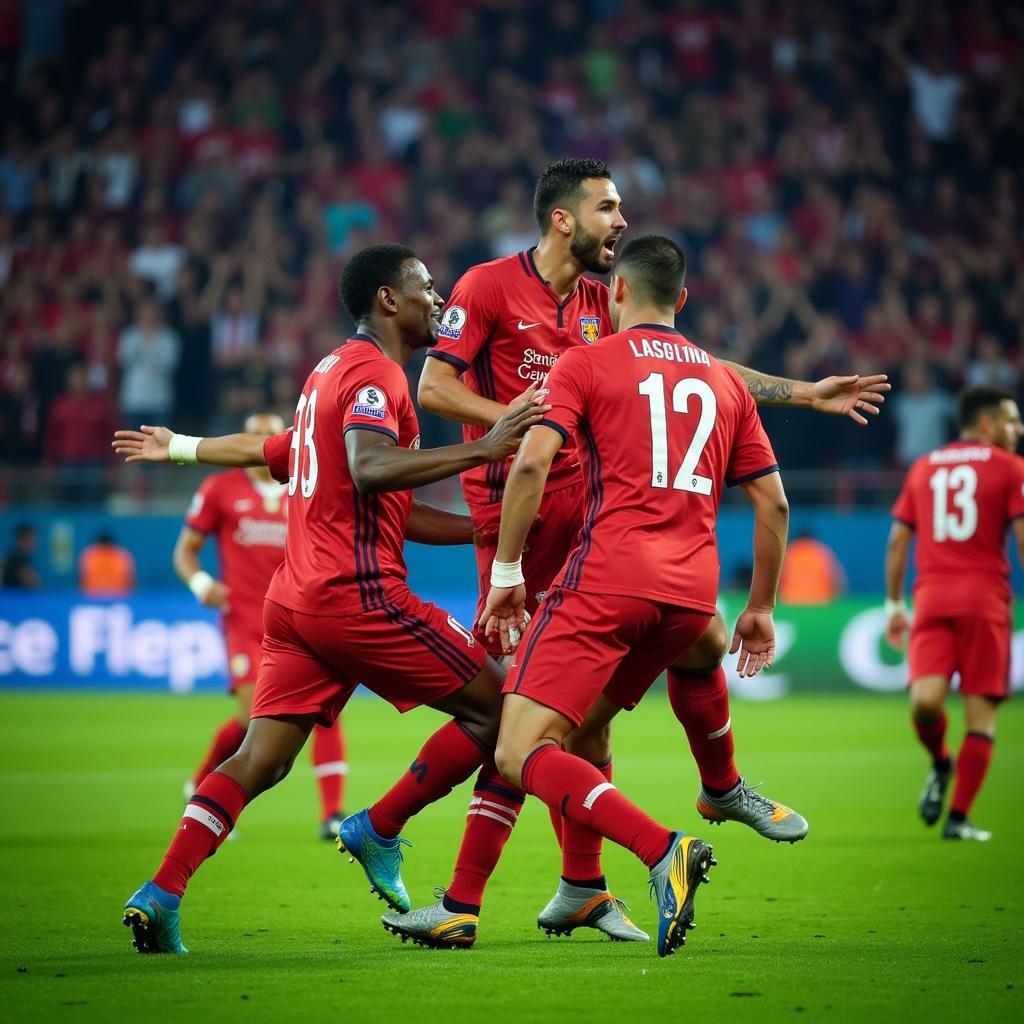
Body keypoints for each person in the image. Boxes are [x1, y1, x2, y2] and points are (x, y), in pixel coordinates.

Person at [416, 158, 882, 939]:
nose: (621, 219)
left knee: (523, 736)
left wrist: (802, 390)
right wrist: (523, 419)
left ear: (626, 293)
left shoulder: (600, 325)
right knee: (630, 686)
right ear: (563, 218)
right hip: (568, 539)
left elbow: (672, 357)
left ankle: (523, 884)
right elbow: (435, 388)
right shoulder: (489, 286)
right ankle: (594, 875)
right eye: (608, 206)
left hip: (595, 548)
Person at [112, 243, 548, 954]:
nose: (437, 300)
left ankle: (161, 893)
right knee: (502, 714)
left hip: (294, 606)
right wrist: (486, 448)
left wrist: (182, 446)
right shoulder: (378, 376)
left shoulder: (328, 374)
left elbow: (277, 453)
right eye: (425, 288)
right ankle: (379, 828)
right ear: (387, 300)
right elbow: (370, 468)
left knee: (262, 759)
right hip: (358, 597)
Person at [391, 234, 789, 957]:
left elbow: (532, 463)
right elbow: (774, 506)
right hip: (692, 599)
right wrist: (760, 609)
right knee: (589, 725)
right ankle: (564, 886)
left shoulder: (587, 360)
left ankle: (661, 848)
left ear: (614, 296)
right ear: (685, 300)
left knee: (517, 748)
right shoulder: (721, 381)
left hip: (606, 584)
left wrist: (507, 574)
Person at [174, 412, 348, 841]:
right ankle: (202, 787)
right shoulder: (220, 488)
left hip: (300, 620)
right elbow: (185, 551)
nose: (260, 442)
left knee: (324, 712)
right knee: (255, 716)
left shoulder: (304, 485)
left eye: (269, 436)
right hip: (246, 623)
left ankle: (331, 814)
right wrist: (200, 583)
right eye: (253, 435)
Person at [884, 385, 1024, 841]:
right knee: (929, 707)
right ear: (987, 424)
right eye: (1011, 420)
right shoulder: (1011, 469)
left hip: (958, 601)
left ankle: (958, 819)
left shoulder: (925, 466)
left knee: (956, 712)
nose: (1018, 429)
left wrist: (895, 604)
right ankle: (943, 764)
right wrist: (895, 605)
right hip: (973, 603)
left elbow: (898, 539)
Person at [778, 528, 846, 604]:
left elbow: (779, 578)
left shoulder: (789, 552)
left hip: (791, 601)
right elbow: (837, 578)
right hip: (821, 601)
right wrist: (839, 598)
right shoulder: (822, 552)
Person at [79, 531, 135, 597]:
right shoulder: (89, 554)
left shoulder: (122, 555)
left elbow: (130, 579)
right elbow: (82, 578)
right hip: (94, 595)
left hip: (117, 595)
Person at [1, 523, 41, 590]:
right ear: (21, 539)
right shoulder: (17, 558)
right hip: (14, 599)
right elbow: (33, 583)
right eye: (32, 538)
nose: (35, 542)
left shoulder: (18, 556)